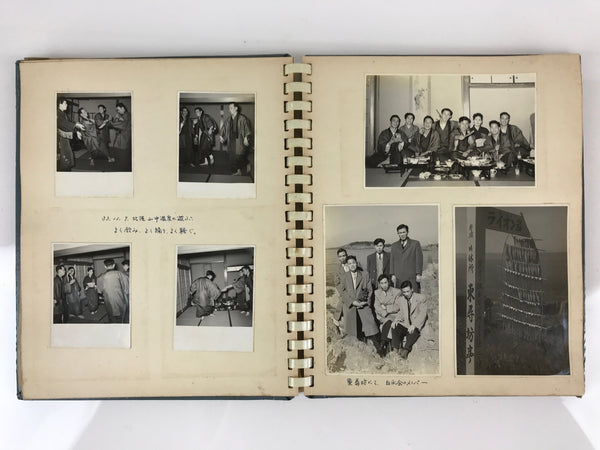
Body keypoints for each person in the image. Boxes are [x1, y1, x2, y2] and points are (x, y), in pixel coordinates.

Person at [339, 255, 384, 355]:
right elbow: (343, 292)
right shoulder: (345, 276)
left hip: (364, 305)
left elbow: (370, 290)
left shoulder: (364, 274)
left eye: (353, 263)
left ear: (357, 263)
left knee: (371, 325)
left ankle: (379, 349)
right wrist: (352, 302)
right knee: (355, 328)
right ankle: (361, 348)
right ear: (347, 265)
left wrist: (365, 302)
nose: (352, 265)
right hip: (351, 306)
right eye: (350, 263)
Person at [373, 274, 407, 355]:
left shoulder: (396, 292)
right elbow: (377, 306)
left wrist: (386, 308)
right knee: (387, 320)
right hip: (382, 316)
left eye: (385, 283)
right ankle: (383, 345)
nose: (384, 285)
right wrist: (385, 313)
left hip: (394, 315)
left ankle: (382, 344)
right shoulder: (377, 293)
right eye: (382, 283)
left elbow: (398, 306)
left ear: (389, 282)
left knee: (389, 321)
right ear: (379, 284)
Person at [394, 280, 428, 359]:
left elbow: (422, 314)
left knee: (413, 332)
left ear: (412, 289)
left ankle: (405, 352)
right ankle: (395, 351)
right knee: (394, 326)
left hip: (416, 325)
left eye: (408, 291)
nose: (406, 294)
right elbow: (401, 313)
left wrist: (414, 325)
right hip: (407, 325)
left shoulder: (421, 298)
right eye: (404, 292)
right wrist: (396, 320)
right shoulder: (402, 299)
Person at [219, 103, 253, 175]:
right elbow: (224, 127)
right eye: (229, 108)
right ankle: (238, 170)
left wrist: (246, 137)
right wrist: (221, 136)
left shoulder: (242, 118)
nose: (229, 110)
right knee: (232, 155)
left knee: (239, 155)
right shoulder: (228, 119)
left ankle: (246, 164)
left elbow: (247, 128)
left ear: (236, 108)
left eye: (231, 108)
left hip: (239, 139)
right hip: (231, 139)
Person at [390, 224, 423, 293]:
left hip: (412, 277)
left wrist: (418, 274)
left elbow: (419, 260)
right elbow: (392, 261)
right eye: (400, 233)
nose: (402, 234)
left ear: (407, 232)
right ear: (398, 234)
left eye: (403, 232)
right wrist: (392, 274)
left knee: (414, 295)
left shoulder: (415, 243)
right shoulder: (394, 245)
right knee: (400, 296)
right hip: (399, 278)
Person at [97, 258, 130, 323]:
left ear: (105, 266)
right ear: (114, 265)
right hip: (120, 301)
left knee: (111, 318)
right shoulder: (121, 274)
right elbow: (127, 288)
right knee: (122, 319)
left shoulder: (100, 277)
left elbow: (99, 291)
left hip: (109, 303)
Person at [56, 97, 84, 171]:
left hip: (64, 138)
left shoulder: (63, 114)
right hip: (59, 139)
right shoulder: (57, 113)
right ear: (59, 104)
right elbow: (63, 123)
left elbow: (69, 123)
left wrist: (76, 131)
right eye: (65, 103)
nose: (67, 105)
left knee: (67, 154)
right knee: (62, 156)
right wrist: (76, 125)